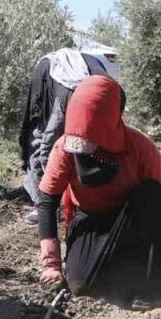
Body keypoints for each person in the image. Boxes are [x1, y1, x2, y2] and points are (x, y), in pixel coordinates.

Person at [36, 76, 161, 302]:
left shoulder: (139, 146)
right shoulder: (65, 148)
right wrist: (51, 265)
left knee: (151, 191)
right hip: (89, 221)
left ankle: (146, 285)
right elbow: (47, 202)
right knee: (81, 286)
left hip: (132, 222)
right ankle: (116, 275)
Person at [18, 47, 118, 224]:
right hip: (56, 93)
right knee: (44, 146)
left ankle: (89, 201)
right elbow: (46, 146)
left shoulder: (107, 89)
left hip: (68, 96)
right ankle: (45, 205)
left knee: (91, 147)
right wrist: (49, 200)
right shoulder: (65, 90)